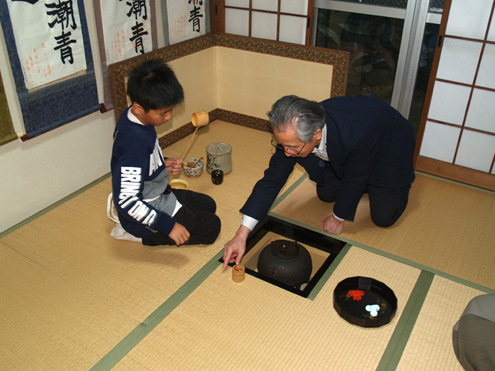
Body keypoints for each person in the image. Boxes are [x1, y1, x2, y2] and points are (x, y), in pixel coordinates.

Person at [223, 95, 415, 268]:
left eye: (292, 148)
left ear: (316, 134)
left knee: (383, 218)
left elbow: (356, 177)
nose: (286, 152)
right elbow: (271, 180)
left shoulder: (357, 133)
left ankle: (393, 186)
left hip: (390, 143)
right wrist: (241, 235)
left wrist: (338, 217)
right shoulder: (294, 135)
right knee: (326, 195)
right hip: (352, 146)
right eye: (282, 145)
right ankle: (361, 181)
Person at [109, 59, 220, 246]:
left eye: (170, 110)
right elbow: (127, 201)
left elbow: (145, 161)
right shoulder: (133, 146)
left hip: (156, 190)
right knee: (211, 227)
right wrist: (168, 226)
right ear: (138, 108)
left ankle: (163, 220)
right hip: (146, 205)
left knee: (208, 205)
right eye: (163, 113)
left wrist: (162, 164)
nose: (168, 117)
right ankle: (141, 234)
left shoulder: (136, 116)